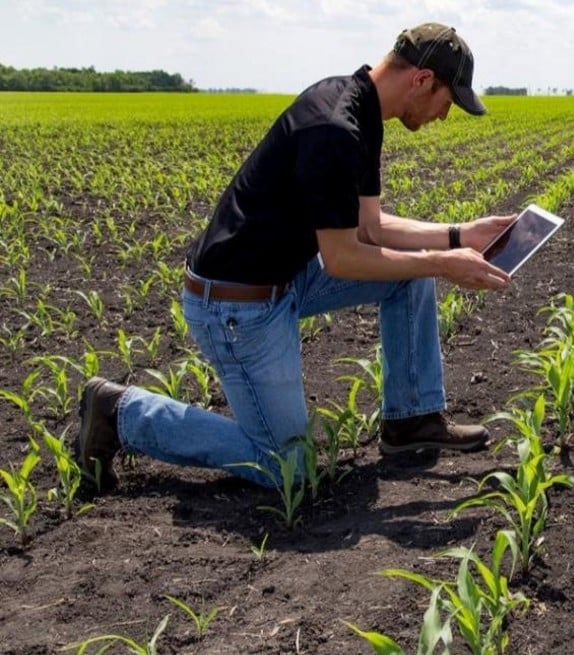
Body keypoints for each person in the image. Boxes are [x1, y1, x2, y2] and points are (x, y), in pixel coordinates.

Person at [75, 22, 513, 491]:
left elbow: (371, 227)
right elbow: (344, 258)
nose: (443, 116)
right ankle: (121, 413)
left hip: (286, 277)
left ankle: (411, 420)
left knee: (410, 277)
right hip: (236, 307)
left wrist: (459, 235)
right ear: (423, 80)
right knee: (289, 468)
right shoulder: (334, 128)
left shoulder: (362, 109)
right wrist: (443, 263)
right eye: (448, 103)